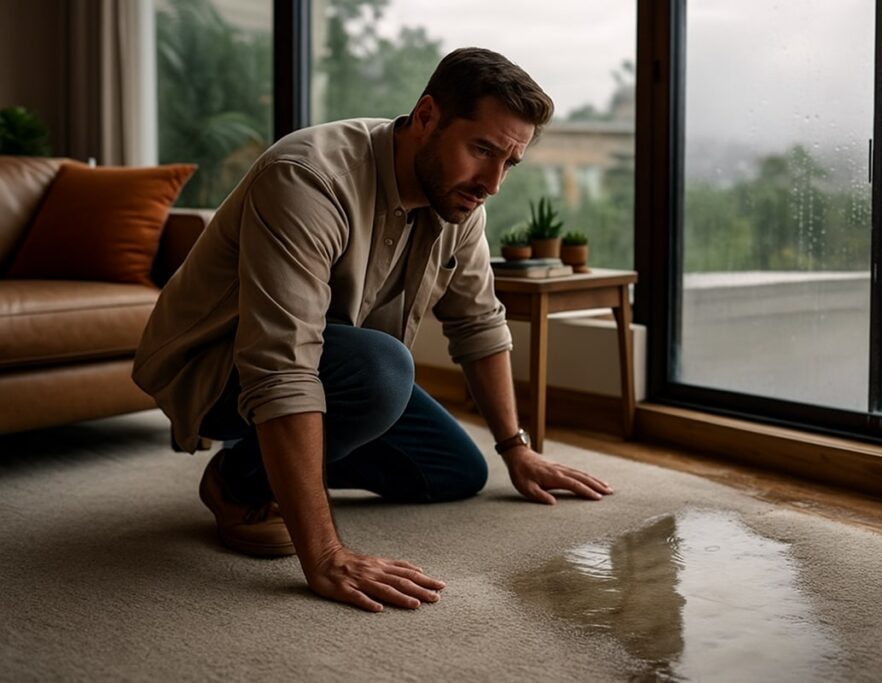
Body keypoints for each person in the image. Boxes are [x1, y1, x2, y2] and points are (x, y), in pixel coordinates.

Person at [133, 47, 613, 613]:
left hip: (340, 366)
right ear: (428, 116)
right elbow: (280, 364)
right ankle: (240, 479)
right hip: (218, 369)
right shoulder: (308, 178)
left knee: (456, 472)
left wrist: (517, 450)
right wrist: (325, 553)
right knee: (384, 370)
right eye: (481, 150)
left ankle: (272, 457)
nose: (492, 183)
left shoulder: (461, 203)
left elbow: (479, 322)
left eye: (509, 163)